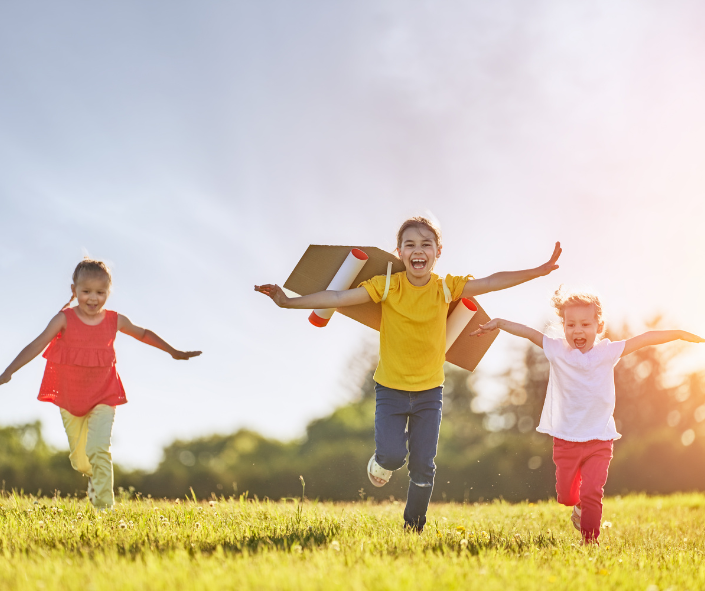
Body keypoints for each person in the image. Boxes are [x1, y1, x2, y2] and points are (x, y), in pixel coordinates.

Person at [255, 216, 562, 531]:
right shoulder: (387, 285)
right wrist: (288, 302)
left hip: (430, 394)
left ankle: (413, 528)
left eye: (426, 244)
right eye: (410, 244)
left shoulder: (446, 288)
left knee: (423, 467)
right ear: (399, 251)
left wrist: (537, 271)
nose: (418, 250)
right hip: (390, 390)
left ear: (437, 251)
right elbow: (337, 298)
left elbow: (491, 281)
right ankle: (382, 462)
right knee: (391, 457)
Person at [471, 287, 704, 543]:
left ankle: (589, 541)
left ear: (598, 325)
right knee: (566, 497)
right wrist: (500, 323)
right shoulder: (556, 350)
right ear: (563, 326)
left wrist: (679, 334)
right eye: (571, 325)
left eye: (585, 324)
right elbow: (530, 333)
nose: (577, 331)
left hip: (599, 438)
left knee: (593, 491)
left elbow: (645, 338)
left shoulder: (607, 352)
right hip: (566, 438)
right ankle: (577, 506)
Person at [0, 258, 201, 510]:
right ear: (74, 291)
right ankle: (94, 479)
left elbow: (143, 333)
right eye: (86, 292)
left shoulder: (114, 320)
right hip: (70, 398)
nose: (93, 298)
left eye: (100, 292)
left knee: (99, 449)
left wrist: (173, 351)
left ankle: (104, 509)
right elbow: (36, 345)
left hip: (104, 394)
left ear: (109, 292)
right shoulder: (63, 319)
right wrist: (8, 371)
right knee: (81, 462)